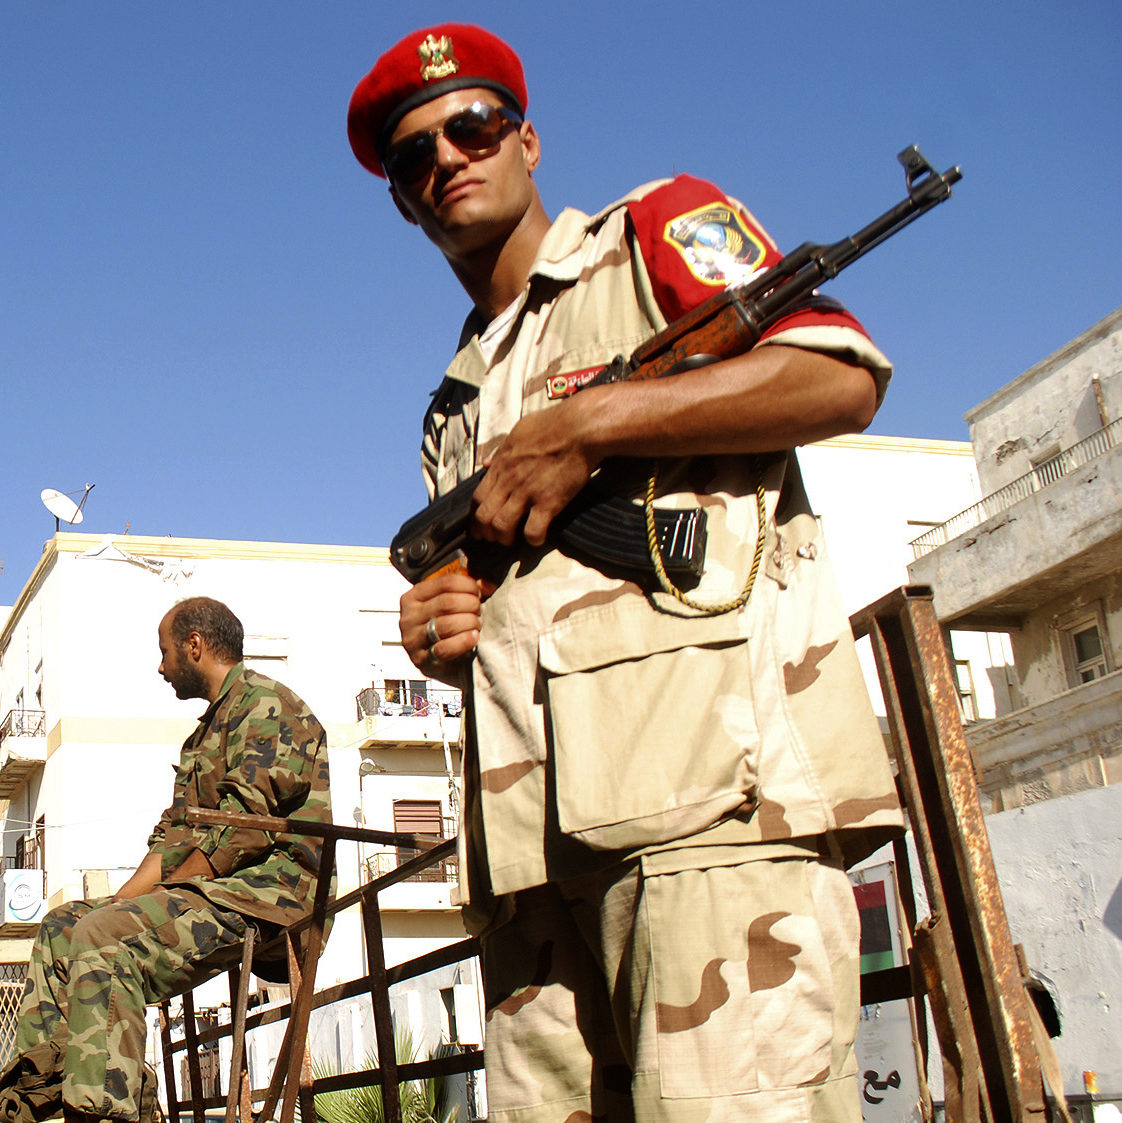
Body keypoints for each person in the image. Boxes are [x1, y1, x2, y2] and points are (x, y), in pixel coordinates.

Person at [348, 24, 903, 1121]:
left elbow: (838, 378)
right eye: (416, 154)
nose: (448, 158)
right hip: (532, 875)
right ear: (403, 200)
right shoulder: (453, 406)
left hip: (709, 827)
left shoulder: (650, 235)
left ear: (529, 140)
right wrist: (440, 629)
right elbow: (519, 617)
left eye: (473, 127)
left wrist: (596, 422)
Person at [0, 596, 332, 1123]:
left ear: (194, 647)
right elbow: (173, 839)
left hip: (270, 895)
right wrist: (121, 901)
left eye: (165, 652)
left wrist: (131, 909)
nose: (161, 667)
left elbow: (237, 834)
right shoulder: (203, 734)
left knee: (105, 938)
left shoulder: (269, 705)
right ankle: (37, 1098)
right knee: (64, 926)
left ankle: (107, 1112)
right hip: (213, 891)